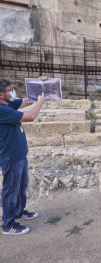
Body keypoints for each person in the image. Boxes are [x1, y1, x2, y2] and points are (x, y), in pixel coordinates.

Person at [0, 77, 47, 235]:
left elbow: (28, 100)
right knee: (10, 190)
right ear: (1, 94)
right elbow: (30, 116)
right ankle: (8, 223)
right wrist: (40, 103)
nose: (12, 92)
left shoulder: (8, 103)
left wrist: (40, 84)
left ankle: (19, 211)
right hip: (10, 157)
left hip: (19, 154)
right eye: (9, 90)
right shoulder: (1, 109)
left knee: (21, 186)